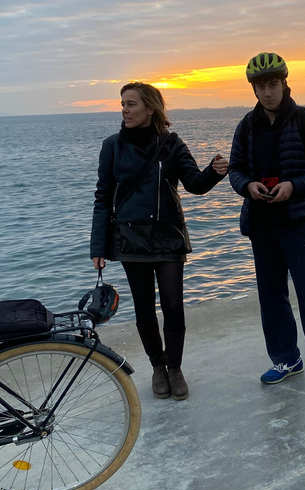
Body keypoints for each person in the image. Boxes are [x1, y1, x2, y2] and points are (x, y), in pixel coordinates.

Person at [90, 82, 228, 401]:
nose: (124, 110)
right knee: (144, 310)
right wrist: (98, 247)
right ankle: (157, 367)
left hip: (168, 237)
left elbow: (194, 184)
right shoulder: (112, 146)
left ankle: (175, 368)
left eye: (131, 104)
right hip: (130, 240)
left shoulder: (172, 144)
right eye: (122, 104)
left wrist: (214, 172)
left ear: (150, 108)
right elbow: (102, 198)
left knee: (173, 307)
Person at [228, 52, 305, 391]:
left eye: (273, 84)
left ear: (285, 84)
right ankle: (286, 359)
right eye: (261, 86)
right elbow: (236, 170)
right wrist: (246, 186)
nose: (267, 92)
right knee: (271, 296)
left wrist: (294, 186)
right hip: (261, 224)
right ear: (254, 90)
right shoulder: (246, 126)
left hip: (296, 222)